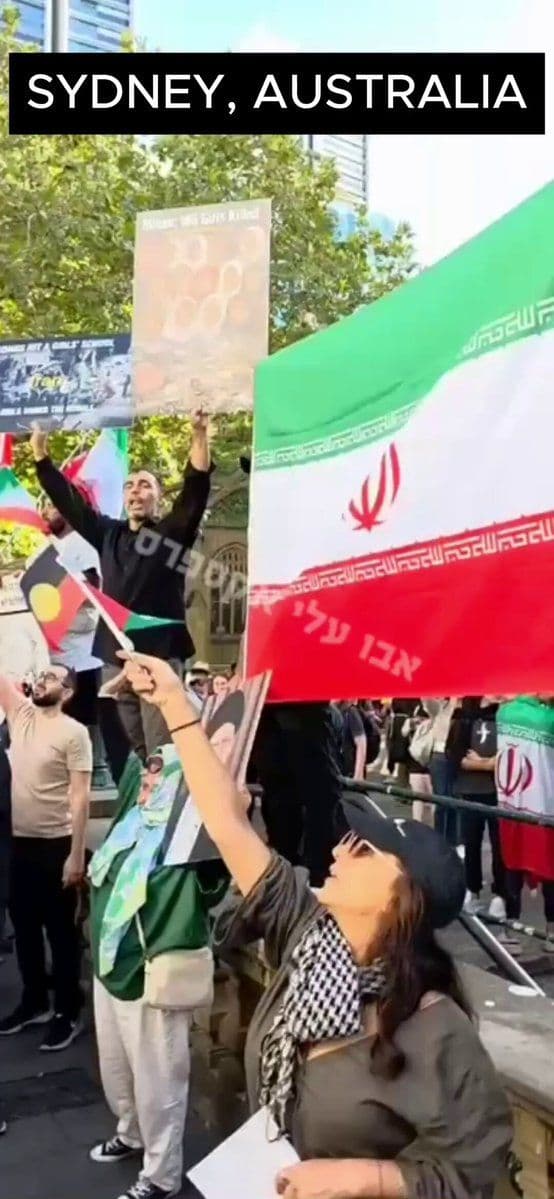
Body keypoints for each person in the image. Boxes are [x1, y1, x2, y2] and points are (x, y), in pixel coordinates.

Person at [114, 653, 513, 1199]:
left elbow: (475, 1174)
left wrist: (366, 1178)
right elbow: (226, 824)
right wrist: (176, 707)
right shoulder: (306, 933)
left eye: (366, 849)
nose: (343, 848)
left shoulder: (441, 1032)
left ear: (402, 903)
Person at [87, 697, 227, 1199]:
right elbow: (133, 740)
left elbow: (218, 820)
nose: (146, 787)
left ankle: (161, 1176)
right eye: (144, 779)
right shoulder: (132, 817)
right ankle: (129, 1135)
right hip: (110, 966)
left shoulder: (192, 843)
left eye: (156, 781)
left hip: (151, 976)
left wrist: (226, 803)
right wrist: (121, 693)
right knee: (117, 1070)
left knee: (159, 1083)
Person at [30, 412, 212, 761]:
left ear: (157, 497)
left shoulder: (170, 534)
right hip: (114, 658)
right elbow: (69, 501)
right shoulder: (107, 534)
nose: (135, 491)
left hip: (158, 654)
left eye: (145, 485)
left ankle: (162, 810)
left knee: (162, 748)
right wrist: (41, 456)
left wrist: (199, 434)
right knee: (135, 754)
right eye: (130, 485)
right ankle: (139, 808)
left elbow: (195, 490)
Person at [0, 666, 92, 1050]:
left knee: (61, 933)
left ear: (67, 692)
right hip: (17, 845)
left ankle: (67, 1011)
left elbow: (80, 796)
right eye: (39, 675)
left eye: (50, 678)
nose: (40, 680)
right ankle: (34, 1001)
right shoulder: (20, 714)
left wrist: (75, 856)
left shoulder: (75, 733)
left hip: (57, 844)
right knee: (23, 929)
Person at [36, 493, 109, 788]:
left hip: (82, 653)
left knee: (84, 720)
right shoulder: (42, 547)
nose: (47, 510)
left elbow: (95, 591)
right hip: (48, 654)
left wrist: (63, 592)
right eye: (44, 504)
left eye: (54, 504)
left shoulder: (85, 544)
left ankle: (95, 773)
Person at [496, 695, 554, 953]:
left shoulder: (504, 712)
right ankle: (551, 931)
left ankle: (511, 930)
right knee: (550, 867)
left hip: (509, 803)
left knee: (512, 864)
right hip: (543, 804)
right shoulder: (547, 718)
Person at [450, 698, 508, 925]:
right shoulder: (463, 717)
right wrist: (488, 763)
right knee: (471, 843)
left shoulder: (504, 716)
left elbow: (509, 756)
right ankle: (472, 890)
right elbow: (454, 755)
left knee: (500, 845)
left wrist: (484, 763)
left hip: (500, 792)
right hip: (470, 790)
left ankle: (500, 895)